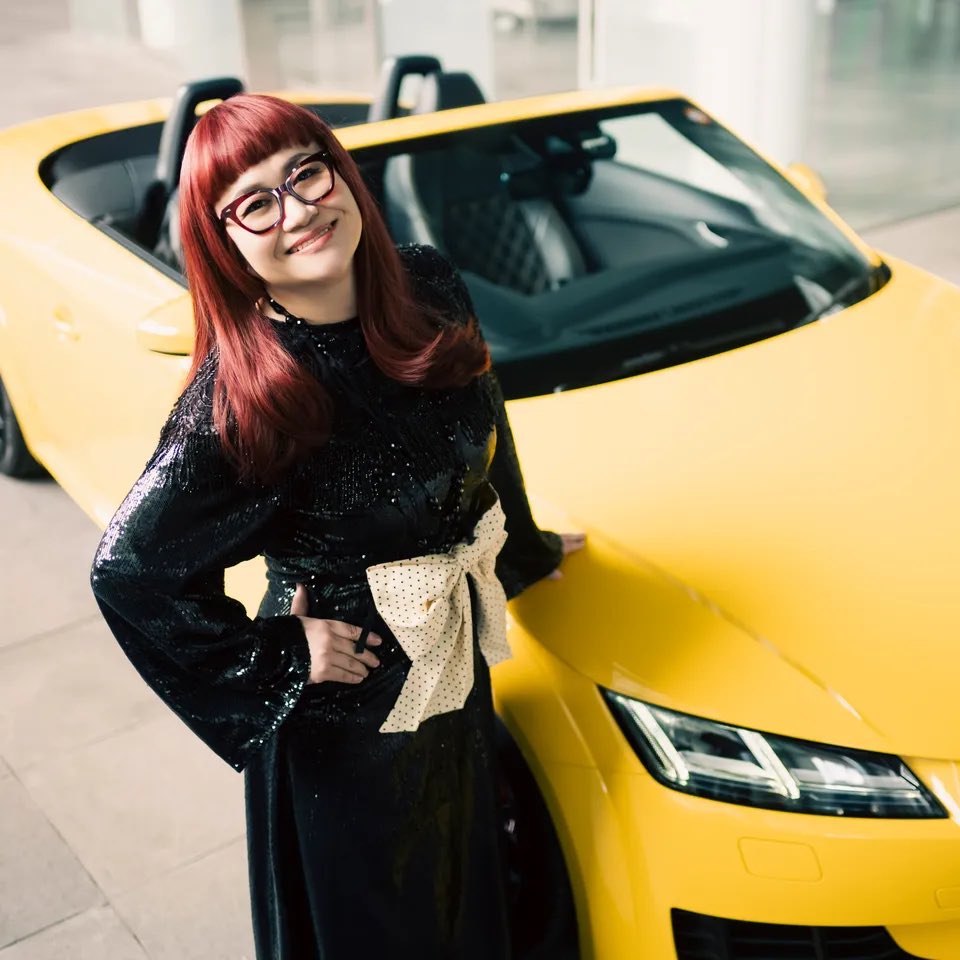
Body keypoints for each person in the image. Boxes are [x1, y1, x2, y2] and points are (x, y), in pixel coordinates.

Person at [89, 92, 586, 959]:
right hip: (349, 714)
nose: (298, 211)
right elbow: (130, 572)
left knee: (465, 879)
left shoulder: (427, 283)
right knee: (380, 923)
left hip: (453, 662)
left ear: (341, 174)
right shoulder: (244, 403)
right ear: (225, 244)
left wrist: (526, 550)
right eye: (256, 203)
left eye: (306, 174)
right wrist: (282, 654)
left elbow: (485, 423)